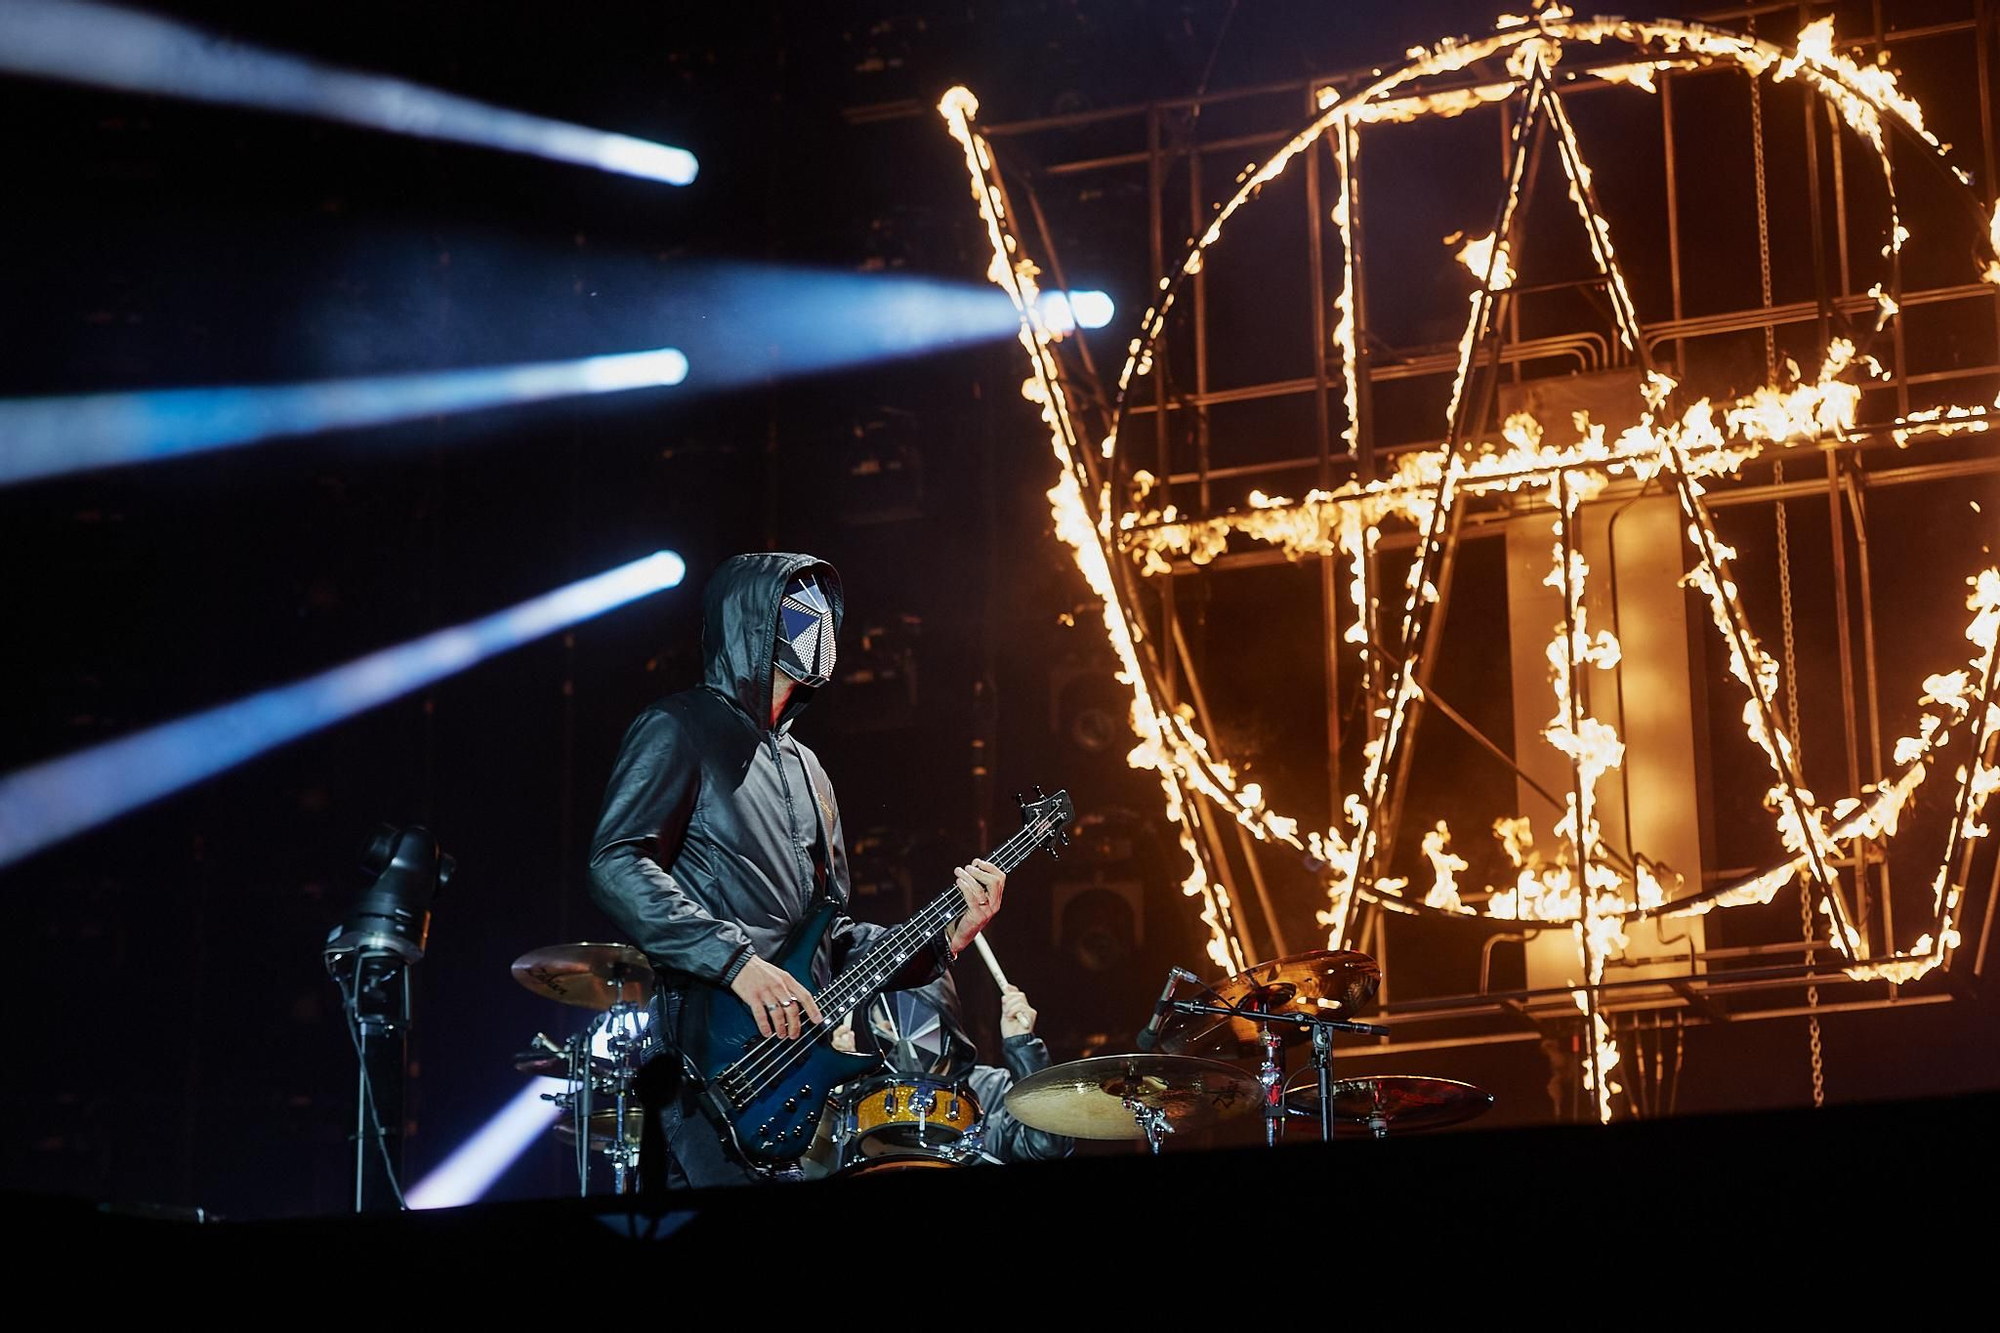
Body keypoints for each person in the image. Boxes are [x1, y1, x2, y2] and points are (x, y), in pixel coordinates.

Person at [587, 552, 1007, 1187]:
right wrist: (736, 962)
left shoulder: (811, 773)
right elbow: (616, 862)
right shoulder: (678, 727)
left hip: (789, 1076)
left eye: (825, 614)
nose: (819, 629)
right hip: (708, 1062)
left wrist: (945, 938)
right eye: (797, 612)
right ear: (750, 622)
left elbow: (832, 937)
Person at [830, 972, 1074, 1166]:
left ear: (945, 1019)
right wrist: (836, 1084)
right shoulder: (865, 1101)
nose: (897, 1034)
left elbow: (1048, 1148)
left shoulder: (991, 1089)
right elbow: (825, 1160)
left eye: (911, 1017)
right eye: (885, 1023)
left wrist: (1022, 1045)